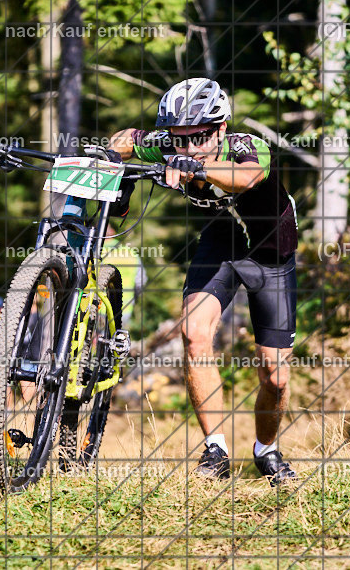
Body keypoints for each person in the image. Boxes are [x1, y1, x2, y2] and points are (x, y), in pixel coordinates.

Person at [109, 78, 298, 486]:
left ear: (221, 128)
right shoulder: (170, 145)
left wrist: (196, 167)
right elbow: (125, 138)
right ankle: (216, 449)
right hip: (222, 241)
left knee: (275, 375)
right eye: (179, 139)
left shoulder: (246, 147)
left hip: (271, 250)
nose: (188, 146)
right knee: (194, 334)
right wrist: (112, 156)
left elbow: (245, 178)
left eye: (198, 137)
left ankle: (266, 450)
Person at [101, 225, 147, 329]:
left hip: (99, 308)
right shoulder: (130, 253)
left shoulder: (96, 252)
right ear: (113, 233)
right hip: (124, 308)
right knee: (117, 340)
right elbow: (141, 281)